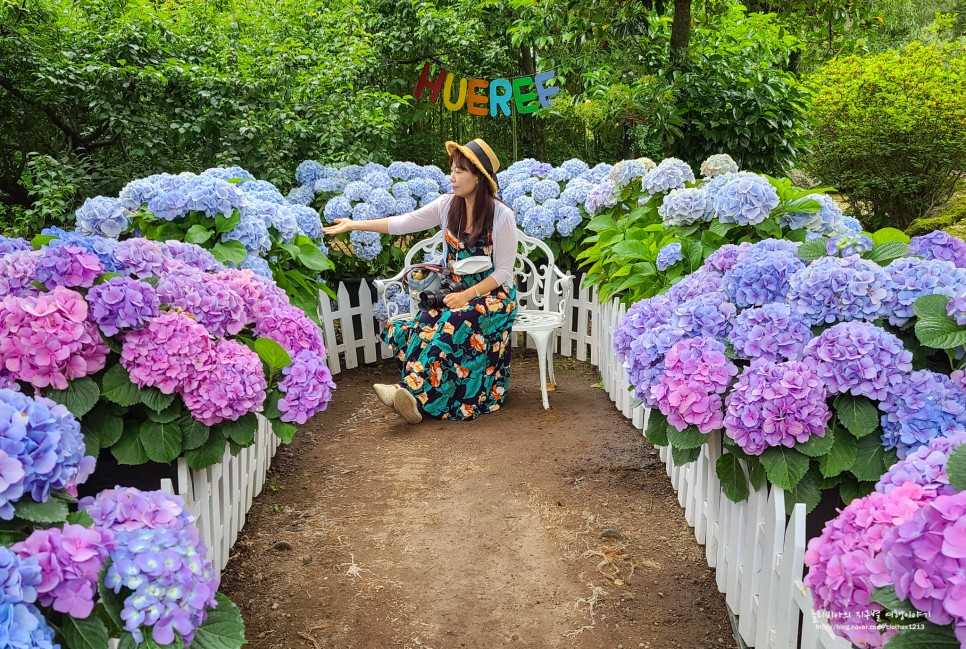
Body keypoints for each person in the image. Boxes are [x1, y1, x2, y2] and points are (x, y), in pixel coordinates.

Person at [322, 139, 518, 424]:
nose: (452, 177)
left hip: (493, 298)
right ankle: (420, 398)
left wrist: (469, 295)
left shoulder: (502, 216)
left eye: (460, 171)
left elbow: (502, 272)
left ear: (479, 177)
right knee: (422, 324)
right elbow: (400, 223)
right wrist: (354, 224)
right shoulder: (447, 206)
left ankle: (408, 392)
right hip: (454, 293)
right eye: (451, 169)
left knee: (456, 322)